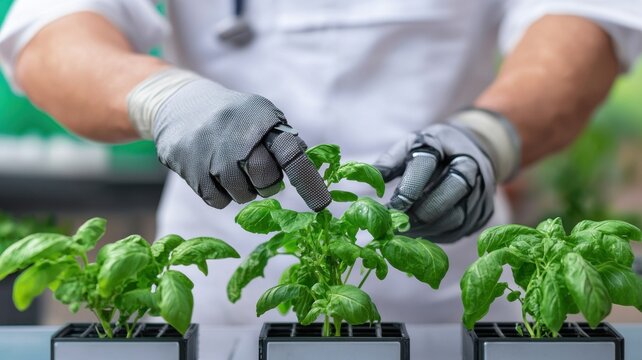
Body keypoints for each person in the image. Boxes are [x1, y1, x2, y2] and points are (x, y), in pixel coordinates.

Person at [1, 0, 641, 325]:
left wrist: (489, 135)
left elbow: (582, 23)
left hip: (449, 278)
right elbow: (51, 31)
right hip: (219, 292)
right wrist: (166, 98)